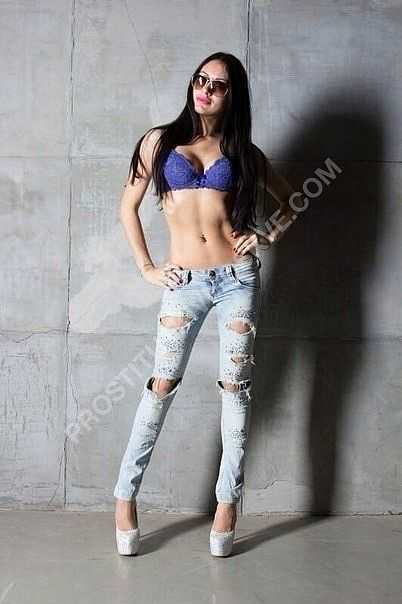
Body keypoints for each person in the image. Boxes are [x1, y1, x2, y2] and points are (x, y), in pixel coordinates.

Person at [113, 51, 299, 556]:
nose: (206, 90)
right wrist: (148, 268)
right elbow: (128, 207)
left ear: (232, 96)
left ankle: (227, 504)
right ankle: (125, 496)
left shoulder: (244, 154)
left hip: (236, 279)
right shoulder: (158, 143)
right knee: (161, 384)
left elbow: (290, 203)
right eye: (201, 80)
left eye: (218, 85)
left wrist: (265, 234)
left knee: (236, 389)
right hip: (183, 282)